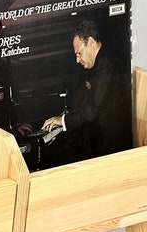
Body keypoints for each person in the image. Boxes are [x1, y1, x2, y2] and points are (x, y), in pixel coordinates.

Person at [40, 19, 131, 161]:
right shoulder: (100, 63)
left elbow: (91, 111)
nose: (77, 60)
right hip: (104, 144)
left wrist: (62, 120)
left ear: (91, 42)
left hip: (112, 147)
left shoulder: (106, 64)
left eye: (79, 53)